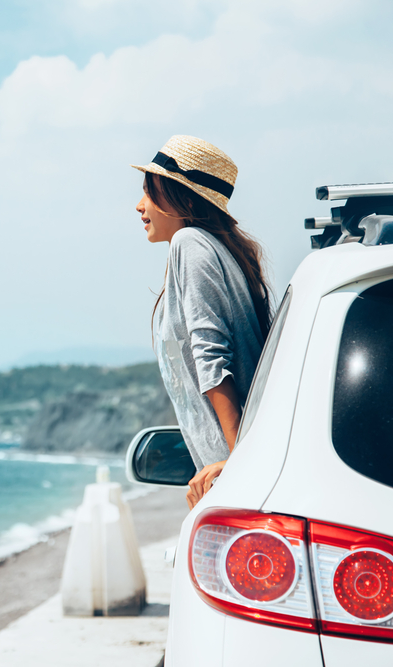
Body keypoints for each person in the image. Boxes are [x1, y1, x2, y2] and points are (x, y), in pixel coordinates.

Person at [132, 135, 273, 509]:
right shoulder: (222, 251)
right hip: (236, 468)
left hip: (235, 475)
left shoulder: (190, 243)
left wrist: (238, 462)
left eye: (150, 192)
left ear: (186, 200)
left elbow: (210, 357)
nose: (139, 206)